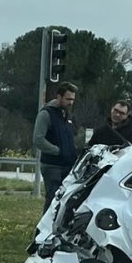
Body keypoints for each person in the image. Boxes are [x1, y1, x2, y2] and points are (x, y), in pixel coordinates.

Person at [33, 82, 78, 212]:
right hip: (52, 166)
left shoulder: (67, 115)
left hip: (67, 165)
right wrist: (57, 151)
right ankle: (45, 229)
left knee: (66, 201)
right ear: (59, 97)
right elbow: (38, 139)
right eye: (68, 99)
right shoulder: (46, 114)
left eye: (73, 99)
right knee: (53, 199)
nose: (71, 102)